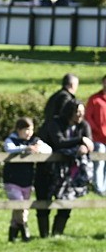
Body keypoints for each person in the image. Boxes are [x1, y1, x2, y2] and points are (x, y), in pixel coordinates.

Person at [36, 99, 94, 238]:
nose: (80, 115)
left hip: (71, 172)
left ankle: (57, 234)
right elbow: (59, 142)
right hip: (48, 170)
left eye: (82, 112)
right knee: (44, 202)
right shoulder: (54, 123)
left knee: (67, 203)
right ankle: (44, 235)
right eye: (77, 112)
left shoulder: (83, 125)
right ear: (69, 112)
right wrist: (80, 140)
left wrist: (84, 145)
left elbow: (89, 142)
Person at [2, 117, 50, 242]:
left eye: (31, 129)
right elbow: (8, 148)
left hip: (27, 180)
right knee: (19, 204)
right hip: (12, 179)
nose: (29, 133)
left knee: (22, 207)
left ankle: (12, 234)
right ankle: (24, 230)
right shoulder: (11, 139)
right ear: (19, 130)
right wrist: (25, 148)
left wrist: (38, 147)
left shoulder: (35, 140)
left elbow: (48, 149)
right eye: (26, 130)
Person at [84, 74, 106, 194]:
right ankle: (99, 188)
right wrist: (98, 131)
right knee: (99, 161)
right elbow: (88, 118)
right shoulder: (95, 99)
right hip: (98, 138)